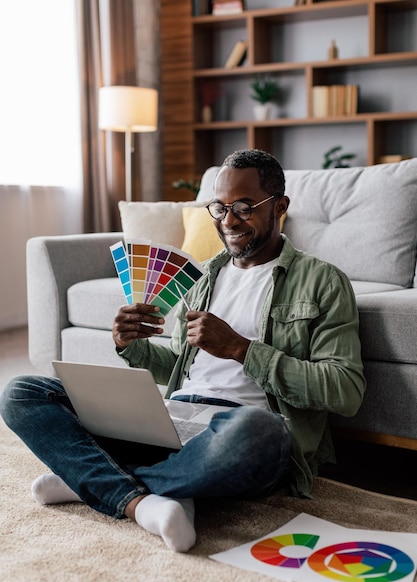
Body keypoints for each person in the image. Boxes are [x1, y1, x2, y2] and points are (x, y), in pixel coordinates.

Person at [0, 149, 365, 553]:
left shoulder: (323, 282)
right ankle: (147, 499)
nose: (228, 221)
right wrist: (130, 346)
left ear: (279, 206)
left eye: (243, 207)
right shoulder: (204, 276)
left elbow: (345, 390)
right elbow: (179, 365)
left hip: (236, 432)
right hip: (169, 421)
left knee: (258, 431)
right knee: (22, 392)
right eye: (220, 208)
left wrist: (242, 349)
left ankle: (90, 480)